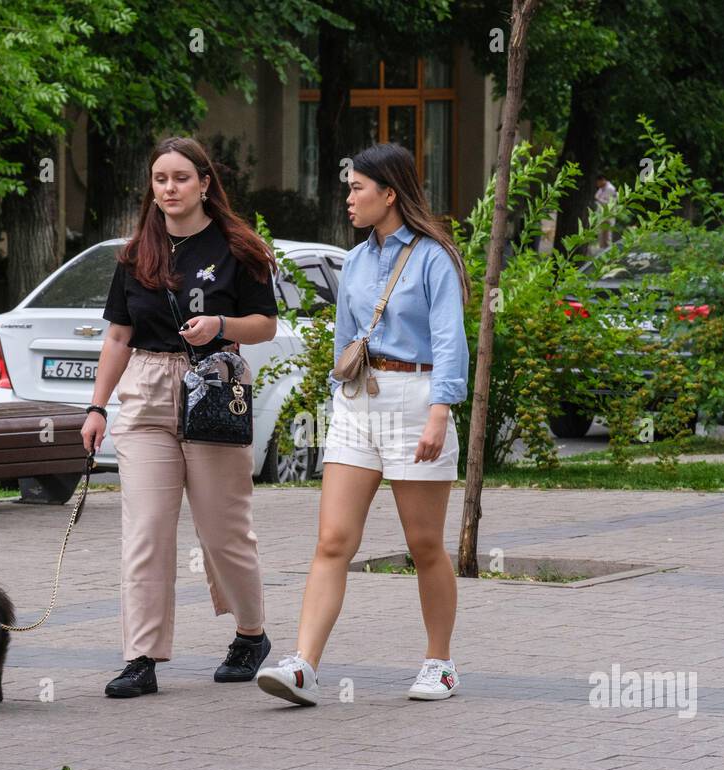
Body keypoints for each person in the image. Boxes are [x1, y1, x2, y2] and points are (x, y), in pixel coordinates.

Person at [255, 142, 471, 706]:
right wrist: (337, 406)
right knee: (332, 541)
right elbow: (343, 341)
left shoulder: (434, 257)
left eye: (357, 188)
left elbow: (450, 341)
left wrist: (440, 414)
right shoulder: (353, 261)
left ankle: (439, 663)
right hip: (357, 400)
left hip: (416, 398)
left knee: (424, 544)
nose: (347, 198)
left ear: (389, 194)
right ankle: (303, 665)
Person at [80, 136, 279, 699]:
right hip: (145, 391)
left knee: (223, 529)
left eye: (181, 178)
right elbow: (119, 334)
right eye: (160, 179)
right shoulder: (134, 252)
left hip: (212, 385)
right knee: (145, 530)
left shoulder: (239, 248)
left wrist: (221, 326)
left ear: (205, 184)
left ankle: (250, 634)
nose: (169, 188)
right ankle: (140, 656)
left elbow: (263, 323)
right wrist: (97, 406)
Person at [594, 174, 618, 251]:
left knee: (607, 237)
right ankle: (601, 253)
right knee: (601, 237)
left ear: (602, 180)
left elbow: (612, 203)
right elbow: (596, 196)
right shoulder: (601, 188)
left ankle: (608, 254)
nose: (597, 185)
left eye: (598, 182)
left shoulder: (610, 189)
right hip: (601, 215)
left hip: (608, 215)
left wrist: (600, 200)